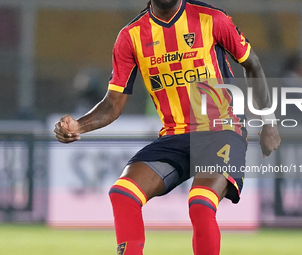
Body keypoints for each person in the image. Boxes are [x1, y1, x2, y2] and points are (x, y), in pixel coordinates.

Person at [54, 0, 281, 254]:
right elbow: (112, 104)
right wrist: (78, 126)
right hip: (174, 136)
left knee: (200, 204)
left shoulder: (211, 18)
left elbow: (252, 64)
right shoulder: (131, 36)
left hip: (222, 130)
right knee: (122, 193)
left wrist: (268, 122)